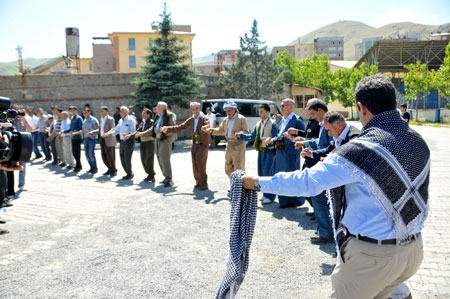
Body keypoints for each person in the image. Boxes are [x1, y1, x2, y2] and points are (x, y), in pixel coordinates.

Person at [242, 74, 430, 299]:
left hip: (373, 257)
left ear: (361, 107)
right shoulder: (417, 140)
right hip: (413, 250)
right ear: (395, 104)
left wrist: (256, 182)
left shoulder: (361, 150)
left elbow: (308, 182)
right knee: (396, 293)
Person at [290, 99, 334, 243]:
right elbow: (319, 142)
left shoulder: (331, 123)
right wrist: (305, 143)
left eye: (313, 114)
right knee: (319, 198)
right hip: (321, 164)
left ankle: (327, 233)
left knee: (319, 197)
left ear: (320, 110)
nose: (313, 118)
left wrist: (313, 153)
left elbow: (330, 147)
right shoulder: (322, 124)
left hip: (326, 166)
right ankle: (325, 230)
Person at [262, 98, 305, 208]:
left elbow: (302, 138)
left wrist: (290, 137)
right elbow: (280, 135)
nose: (281, 107)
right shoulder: (282, 120)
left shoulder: (297, 121)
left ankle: (297, 200)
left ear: (291, 107)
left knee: (291, 177)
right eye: (280, 106)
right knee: (281, 176)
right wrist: (271, 139)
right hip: (280, 151)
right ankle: (285, 201)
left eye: (283, 105)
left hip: (290, 153)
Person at [236, 103, 278, 203]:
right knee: (261, 172)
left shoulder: (273, 123)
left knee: (268, 173)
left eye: (261, 111)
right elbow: (252, 136)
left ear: (267, 112)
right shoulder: (258, 124)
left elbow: (276, 137)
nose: (260, 113)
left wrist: (270, 139)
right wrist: (240, 135)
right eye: (259, 111)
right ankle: (264, 193)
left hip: (269, 151)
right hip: (261, 150)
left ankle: (270, 196)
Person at [162, 102, 210, 189]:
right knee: (194, 162)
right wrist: (168, 129)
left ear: (199, 109)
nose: (195, 111)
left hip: (203, 143)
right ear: (191, 110)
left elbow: (207, 124)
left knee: (200, 161)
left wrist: (205, 128)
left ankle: (204, 183)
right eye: (193, 109)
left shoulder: (204, 118)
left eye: (197, 109)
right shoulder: (190, 120)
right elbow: (180, 127)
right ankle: (198, 181)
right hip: (195, 143)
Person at [203, 101, 249, 180]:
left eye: (229, 110)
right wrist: (210, 130)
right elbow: (220, 130)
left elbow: (247, 132)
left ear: (234, 109)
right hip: (229, 146)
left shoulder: (241, 118)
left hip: (239, 146)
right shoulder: (225, 120)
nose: (227, 112)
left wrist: (239, 133)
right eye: (226, 111)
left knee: (238, 168)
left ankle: (240, 188)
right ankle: (234, 184)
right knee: (227, 167)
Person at [104, 106, 136, 180]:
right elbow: (116, 130)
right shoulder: (121, 120)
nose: (120, 112)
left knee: (127, 158)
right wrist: (109, 134)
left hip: (129, 141)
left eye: (121, 111)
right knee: (122, 158)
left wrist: (128, 135)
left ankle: (129, 173)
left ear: (126, 112)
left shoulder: (131, 120)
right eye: (120, 111)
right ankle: (128, 172)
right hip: (122, 141)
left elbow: (134, 131)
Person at [125, 109, 156, 182]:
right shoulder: (143, 122)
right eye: (142, 113)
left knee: (149, 159)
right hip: (143, 142)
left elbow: (151, 130)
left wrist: (142, 134)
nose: (142, 115)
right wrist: (129, 135)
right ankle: (149, 174)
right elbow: (138, 131)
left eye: (144, 113)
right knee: (143, 159)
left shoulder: (151, 122)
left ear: (148, 115)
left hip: (149, 142)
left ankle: (151, 175)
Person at [153, 102, 176, 187]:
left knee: (164, 158)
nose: (155, 107)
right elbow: (154, 128)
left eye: (157, 106)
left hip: (165, 140)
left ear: (162, 107)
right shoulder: (157, 116)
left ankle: (169, 179)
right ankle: (166, 177)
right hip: (157, 139)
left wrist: (165, 130)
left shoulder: (169, 116)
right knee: (159, 158)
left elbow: (173, 127)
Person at [92, 106, 117, 176]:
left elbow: (113, 128)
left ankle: (113, 169)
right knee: (104, 156)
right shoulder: (101, 119)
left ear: (106, 111)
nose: (100, 112)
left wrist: (107, 133)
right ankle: (109, 168)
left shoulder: (110, 119)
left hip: (109, 139)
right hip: (102, 139)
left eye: (102, 111)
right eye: (100, 111)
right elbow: (100, 130)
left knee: (110, 156)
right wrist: (92, 132)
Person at [73, 109, 99, 174]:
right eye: (83, 113)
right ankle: (91, 167)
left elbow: (98, 129)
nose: (85, 114)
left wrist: (91, 132)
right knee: (87, 154)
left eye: (86, 113)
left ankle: (94, 168)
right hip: (86, 139)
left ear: (89, 112)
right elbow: (83, 130)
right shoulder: (84, 120)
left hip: (92, 139)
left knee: (91, 154)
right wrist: (75, 133)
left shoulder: (94, 120)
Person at [67, 107, 83, 172]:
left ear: (76, 111)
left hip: (78, 137)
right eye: (71, 111)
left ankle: (78, 166)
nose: (72, 112)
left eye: (74, 110)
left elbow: (81, 127)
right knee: (74, 152)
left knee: (77, 152)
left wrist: (74, 132)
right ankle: (78, 164)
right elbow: (71, 128)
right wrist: (65, 131)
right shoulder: (72, 118)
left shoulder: (78, 118)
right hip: (73, 137)